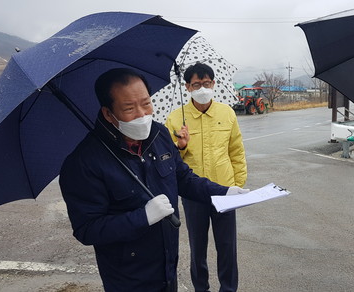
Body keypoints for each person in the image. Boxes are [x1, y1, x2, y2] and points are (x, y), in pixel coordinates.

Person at [59, 68, 248, 292]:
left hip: (167, 266)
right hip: (128, 277)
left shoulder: (159, 134)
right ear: (108, 113)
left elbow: (184, 178)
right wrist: (142, 217)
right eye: (129, 108)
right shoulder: (84, 162)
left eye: (146, 103)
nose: (142, 114)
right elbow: (87, 229)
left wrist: (223, 191)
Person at [165, 62, 247, 292]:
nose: (203, 88)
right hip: (194, 195)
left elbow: (236, 151)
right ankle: (201, 288)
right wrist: (180, 145)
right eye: (197, 84)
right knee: (197, 248)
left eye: (207, 83)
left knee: (227, 247)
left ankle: (228, 289)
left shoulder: (227, 112)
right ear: (187, 87)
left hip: (225, 191)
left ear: (214, 84)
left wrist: (237, 185)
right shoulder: (175, 119)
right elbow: (168, 160)